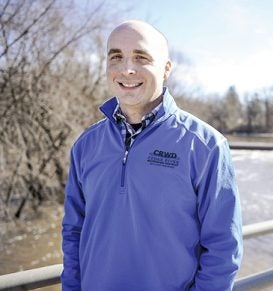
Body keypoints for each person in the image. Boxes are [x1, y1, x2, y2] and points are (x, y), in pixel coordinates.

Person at [61, 20, 243, 291]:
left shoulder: (206, 146)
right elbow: (73, 232)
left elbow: (223, 248)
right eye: (116, 57)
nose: (127, 69)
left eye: (141, 57)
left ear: (166, 68)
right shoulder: (87, 145)